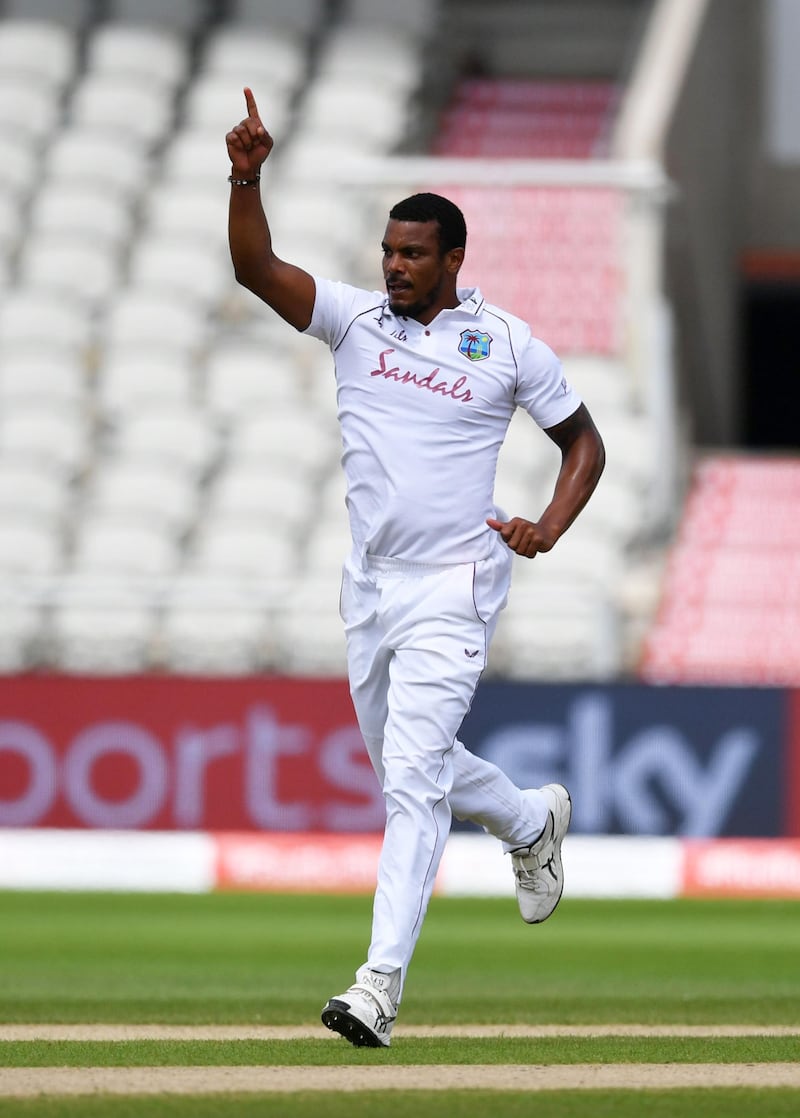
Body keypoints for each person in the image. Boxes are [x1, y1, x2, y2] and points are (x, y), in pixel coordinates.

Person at [226, 88, 605, 1048]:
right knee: (411, 769)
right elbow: (256, 268)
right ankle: (529, 822)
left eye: (411, 254)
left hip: (454, 587)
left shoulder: (508, 344)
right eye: (388, 252)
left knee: (410, 787)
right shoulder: (354, 321)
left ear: (452, 260)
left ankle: (376, 988)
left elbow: (585, 446)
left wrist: (548, 528)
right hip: (370, 586)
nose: (392, 266)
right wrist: (246, 175)